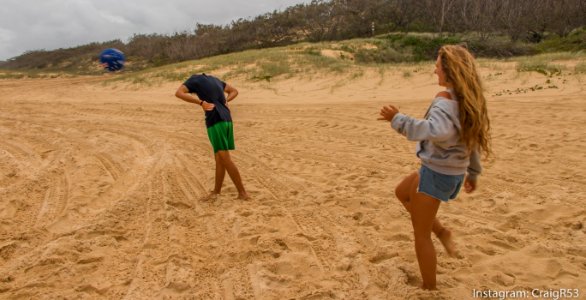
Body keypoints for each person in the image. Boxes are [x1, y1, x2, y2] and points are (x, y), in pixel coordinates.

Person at [378, 45, 491, 290]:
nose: (434, 70)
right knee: (401, 192)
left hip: (436, 174)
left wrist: (397, 119)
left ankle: (429, 288)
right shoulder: (468, 101)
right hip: (452, 173)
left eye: (438, 66)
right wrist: (473, 172)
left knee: (420, 235)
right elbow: (472, 142)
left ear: (449, 71)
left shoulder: (444, 101)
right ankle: (442, 232)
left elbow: (435, 130)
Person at [175, 73, 249, 200]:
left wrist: (201, 102)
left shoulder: (194, 80)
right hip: (227, 119)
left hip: (215, 120)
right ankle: (216, 192)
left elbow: (179, 93)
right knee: (219, 158)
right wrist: (226, 100)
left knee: (225, 158)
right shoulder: (216, 80)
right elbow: (234, 91)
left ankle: (242, 193)